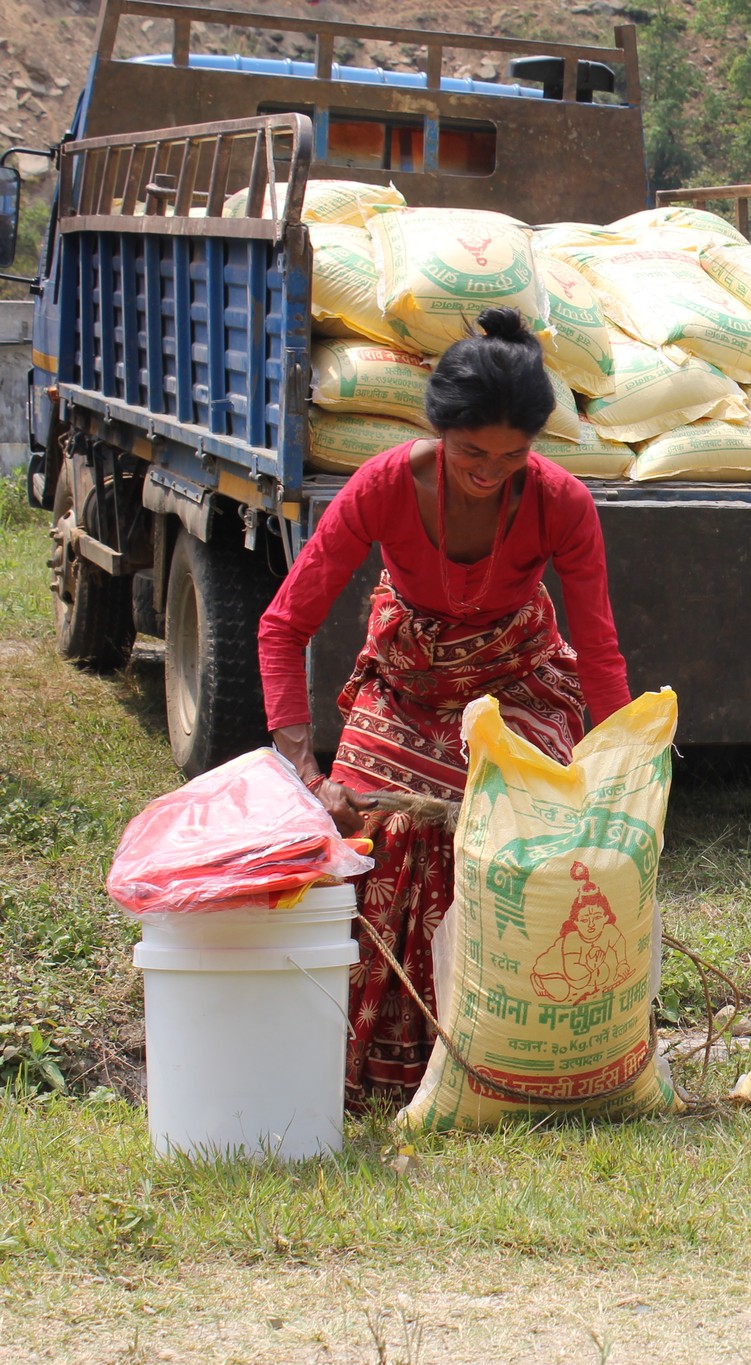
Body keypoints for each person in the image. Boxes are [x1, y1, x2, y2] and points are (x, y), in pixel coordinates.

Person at [257, 306, 631, 1109]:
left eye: (512, 455)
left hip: (517, 680)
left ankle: (501, 1057)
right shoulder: (383, 486)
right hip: (407, 678)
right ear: (438, 432)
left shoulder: (562, 502)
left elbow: (598, 648)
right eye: (471, 452)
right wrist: (302, 766)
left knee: (502, 824)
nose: (490, 471)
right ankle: (374, 1063)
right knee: (370, 829)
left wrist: (621, 772)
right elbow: (283, 626)